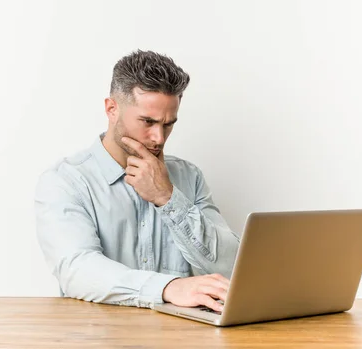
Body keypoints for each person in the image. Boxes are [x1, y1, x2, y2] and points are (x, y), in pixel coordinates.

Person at [34, 50, 240, 312]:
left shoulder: (190, 177)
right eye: (148, 121)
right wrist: (168, 287)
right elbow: (76, 270)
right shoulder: (65, 181)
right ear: (112, 109)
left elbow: (230, 264)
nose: (159, 138)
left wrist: (168, 198)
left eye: (168, 124)